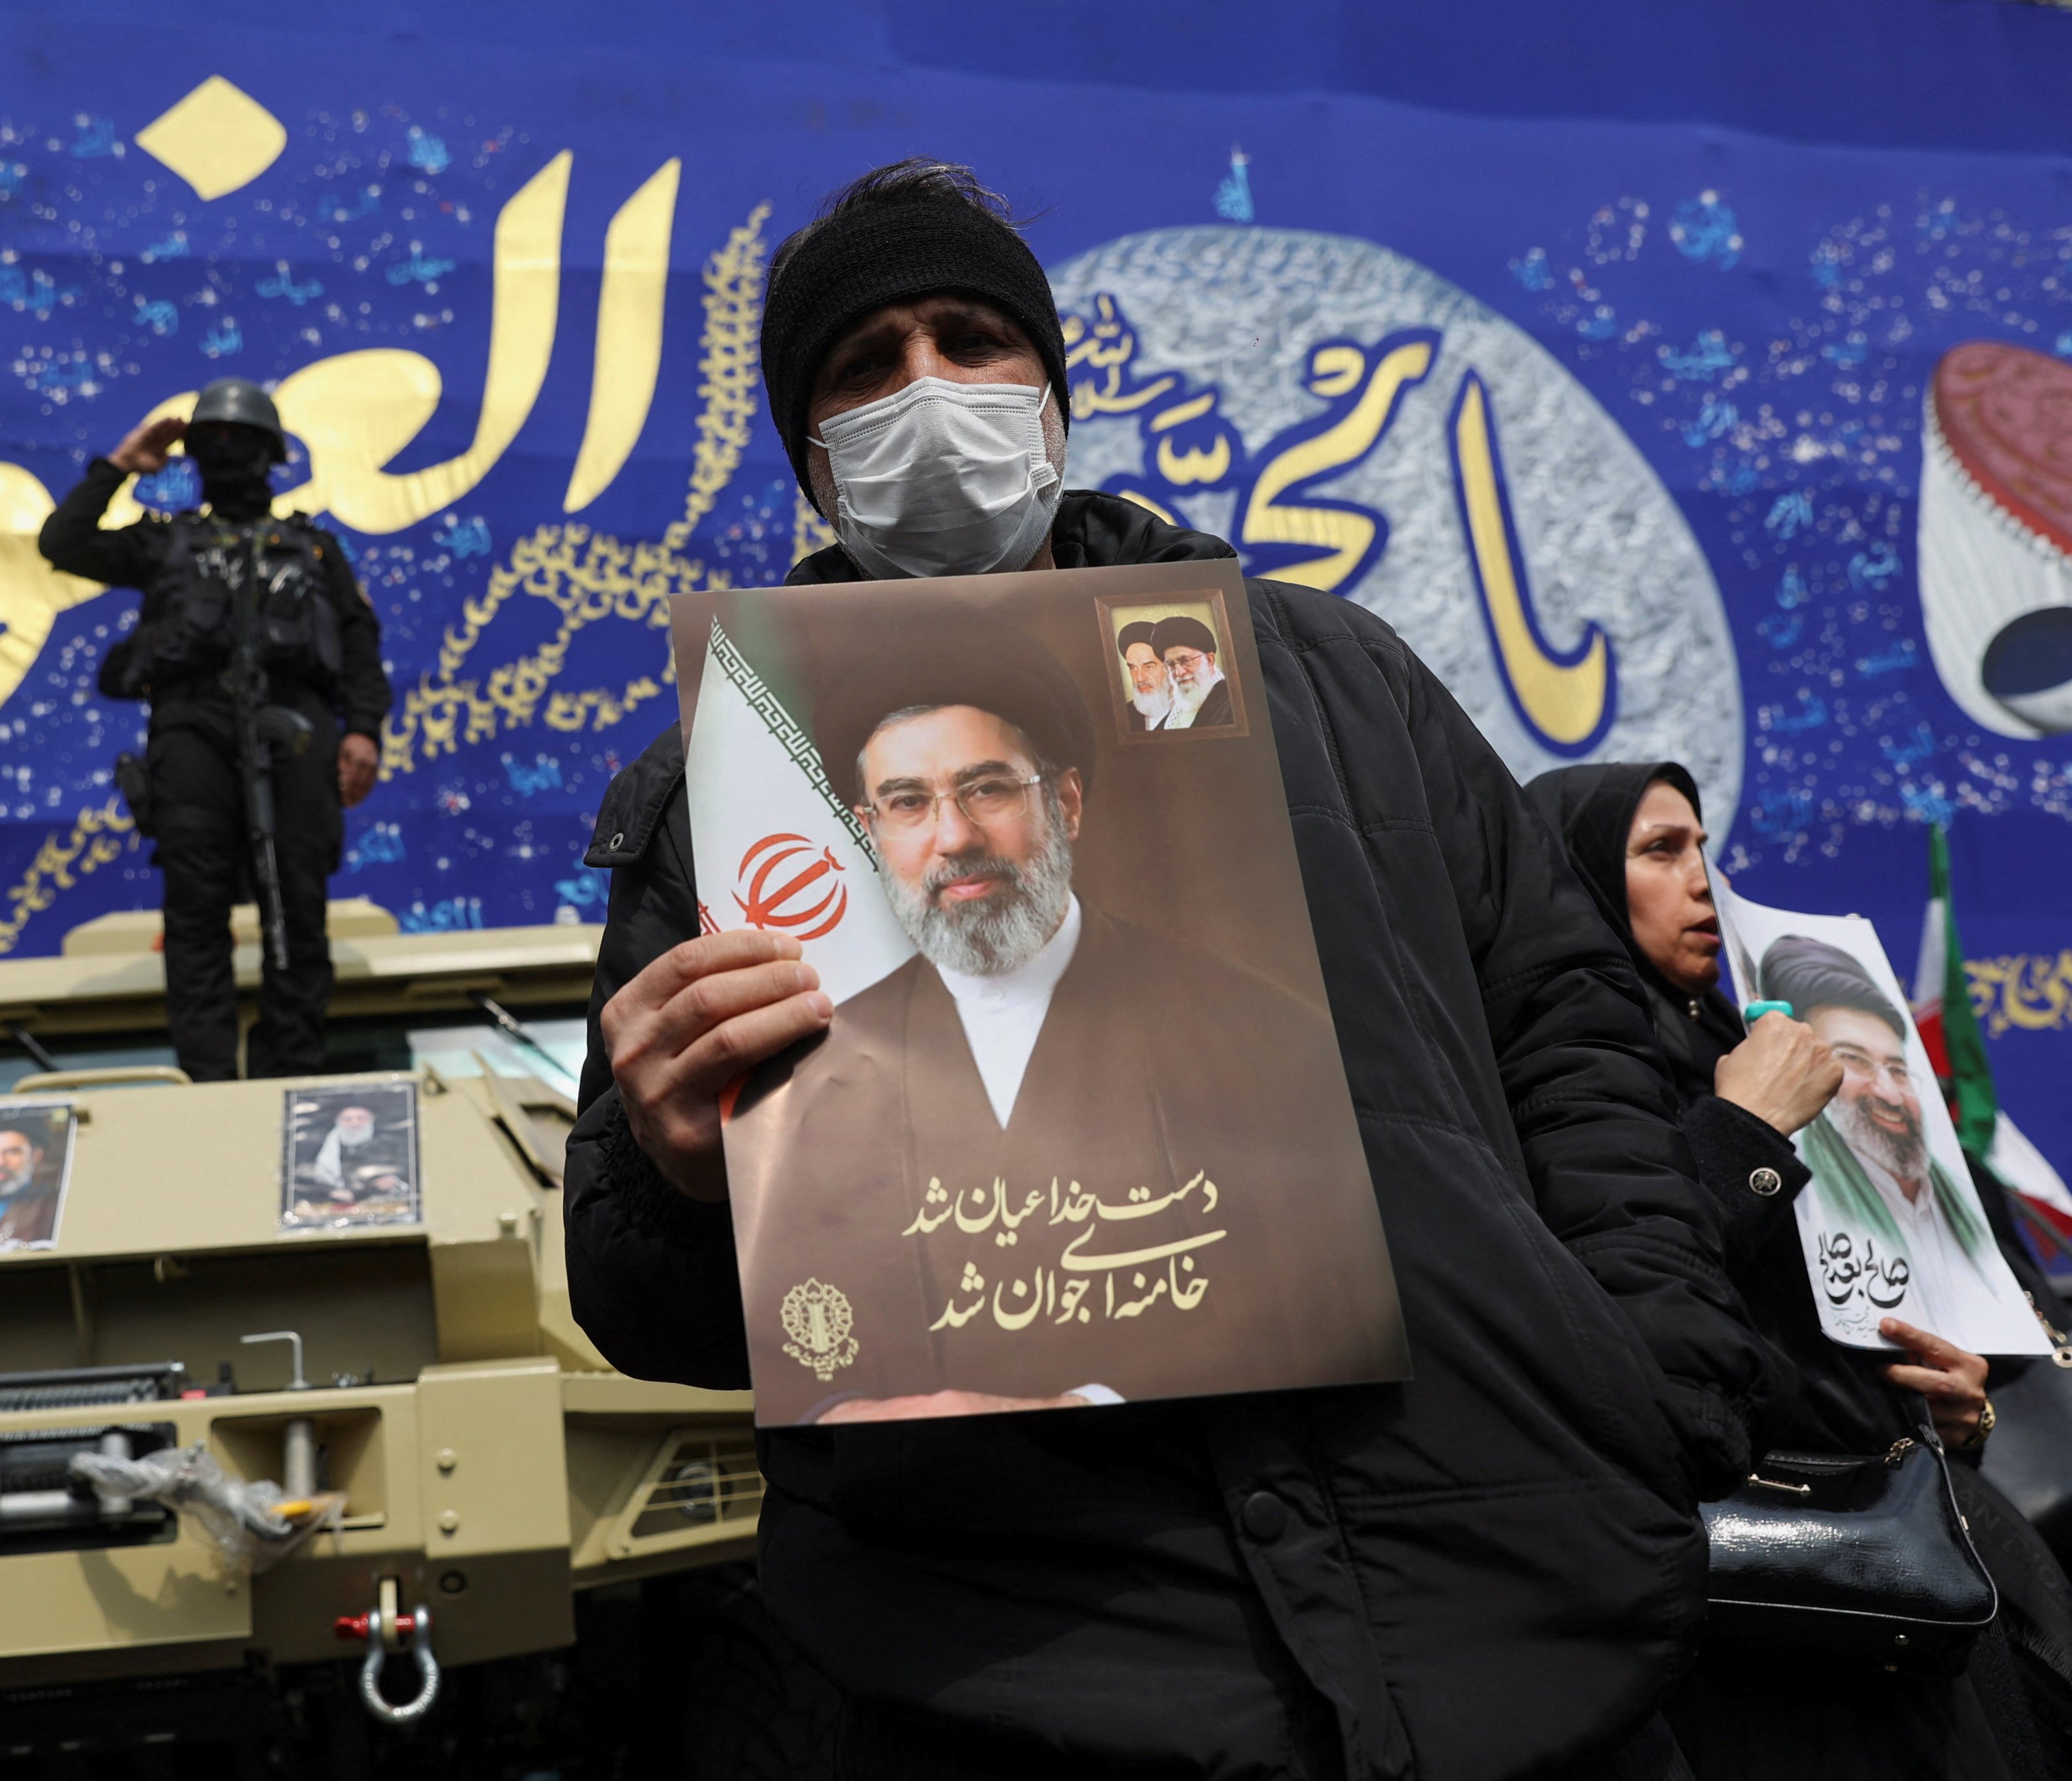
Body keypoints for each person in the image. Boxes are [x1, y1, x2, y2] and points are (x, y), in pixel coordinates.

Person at [567, 159, 1776, 1777]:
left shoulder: (1328, 675)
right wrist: (675, 1179)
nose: (928, 392)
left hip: (1511, 1615)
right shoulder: (725, 802)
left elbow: (1563, 1018)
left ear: (1054, 399)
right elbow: (654, 1304)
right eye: (868, 367)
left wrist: (1652, 1374)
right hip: (1026, 1672)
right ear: (814, 456)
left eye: (973, 338)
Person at [1525, 761, 2072, 1780]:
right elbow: (1621, 1295)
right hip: (1759, 1619)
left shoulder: (1771, 1051)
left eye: (1700, 845)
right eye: (1657, 851)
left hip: (1898, 1566)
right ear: (1575, 880)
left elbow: (1858, 1303)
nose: (1700, 878)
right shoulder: (1566, 1096)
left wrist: (1952, 1403)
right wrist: (1740, 1129)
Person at [729, 637, 1394, 1426]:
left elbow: (1332, 1301)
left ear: (1067, 804)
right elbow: (787, 1342)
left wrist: (1095, 1405)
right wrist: (829, 1413)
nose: (953, 839)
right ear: (870, 830)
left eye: (987, 789)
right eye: (908, 802)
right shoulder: (804, 1073)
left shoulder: (1262, 1033)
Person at [37, 378, 391, 1083]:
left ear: (272, 454)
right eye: (214, 443)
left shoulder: (316, 549)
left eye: (243, 442)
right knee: (195, 914)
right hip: (192, 733)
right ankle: (207, 1085)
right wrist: (120, 467)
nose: (228, 454)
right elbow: (63, 542)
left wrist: (364, 733)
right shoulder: (167, 542)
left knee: (298, 912)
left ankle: (290, 1078)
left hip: (296, 736)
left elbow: (358, 645)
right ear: (194, 455)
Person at [1758, 934, 2024, 1346]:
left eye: (1898, 1069)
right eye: (1853, 1061)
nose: (1890, 1094)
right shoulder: (1791, 1199)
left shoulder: (1961, 1187)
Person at [304, 1102, 408, 1206]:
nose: (355, 1123)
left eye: (361, 1118)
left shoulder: (389, 1144)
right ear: (338, 1122)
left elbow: (404, 1175)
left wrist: (397, 1182)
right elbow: (305, 1180)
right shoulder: (320, 1145)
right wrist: (330, 1192)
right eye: (348, 1119)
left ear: (371, 1120)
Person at [1152, 613, 1235, 729]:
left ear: (1209, 660)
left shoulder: (1233, 704)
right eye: (1171, 664)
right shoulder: (1173, 714)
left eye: (1185, 661)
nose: (1179, 672)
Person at [1114, 620, 1171, 730]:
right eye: (1133, 668)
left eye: (1149, 667)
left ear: (1169, 667)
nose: (1139, 678)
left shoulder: (1194, 710)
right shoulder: (1124, 714)